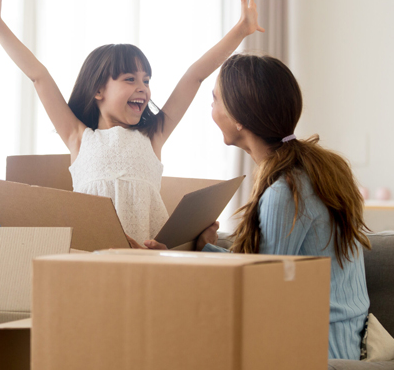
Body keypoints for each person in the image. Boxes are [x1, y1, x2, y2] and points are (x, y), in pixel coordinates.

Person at [0, 0, 263, 244]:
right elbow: (39, 76)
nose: (143, 89)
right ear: (98, 90)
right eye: (130, 79)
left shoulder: (153, 136)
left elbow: (195, 76)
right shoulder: (78, 137)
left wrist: (241, 30)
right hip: (96, 257)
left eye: (146, 80)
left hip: (149, 257)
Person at [144, 54, 371, 360]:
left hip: (319, 351)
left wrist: (175, 267)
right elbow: (268, 266)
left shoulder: (285, 191)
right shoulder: (311, 171)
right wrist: (205, 249)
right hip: (338, 339)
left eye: (215, 100)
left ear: (240, 118)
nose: (211, 110)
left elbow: (259, 293)